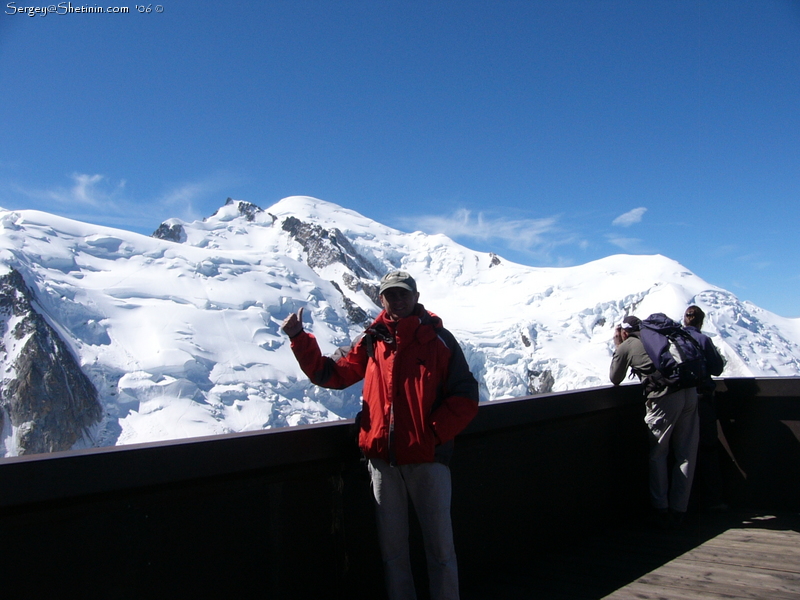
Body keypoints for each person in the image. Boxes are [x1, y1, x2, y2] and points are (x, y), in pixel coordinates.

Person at [282, 270, 480, 600]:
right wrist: (299, 338)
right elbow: (332, 373)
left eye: (404, 293)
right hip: (382, 464)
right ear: (381, 299)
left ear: (416, 297)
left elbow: (465, 395)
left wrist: (430, 435)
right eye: (391, 294)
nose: (398, 300)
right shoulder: (373, 339)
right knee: (393, 553)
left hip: (428, 461)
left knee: (441, 551)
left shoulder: (439, 339)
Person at [609, 315, 700, 528]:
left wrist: (618, 346)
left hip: (665, 397)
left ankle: (661, 508)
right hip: (689, 391)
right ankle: (680, 509)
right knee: (685, 453)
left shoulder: (628, 344)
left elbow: (615, 377)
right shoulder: (658, 336)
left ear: (624, 331)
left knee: (658, 453)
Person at [682, 305, 727, 510]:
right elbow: (717, 368)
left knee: (683, 450)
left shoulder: (675, 339)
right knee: (708, 448)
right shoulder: (702, 340)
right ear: (701, 321)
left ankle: (683, 501)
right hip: (702, 400)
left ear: (685, 320)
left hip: (680, 401)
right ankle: (712, 500)